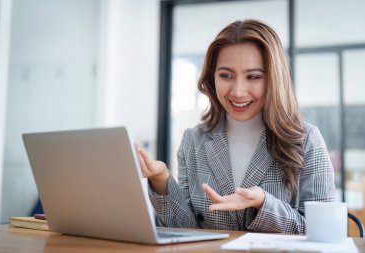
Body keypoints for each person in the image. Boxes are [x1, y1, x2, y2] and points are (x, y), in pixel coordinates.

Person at [136, 19, 336, 234]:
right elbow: (186, 229)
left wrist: (263, 204)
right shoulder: (194, 140)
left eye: (253, 77)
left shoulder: (306, 139)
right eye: (226, 75)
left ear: (274, 80)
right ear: (212, 77)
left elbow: (323, 231)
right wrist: (161, 179)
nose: (238, 91)